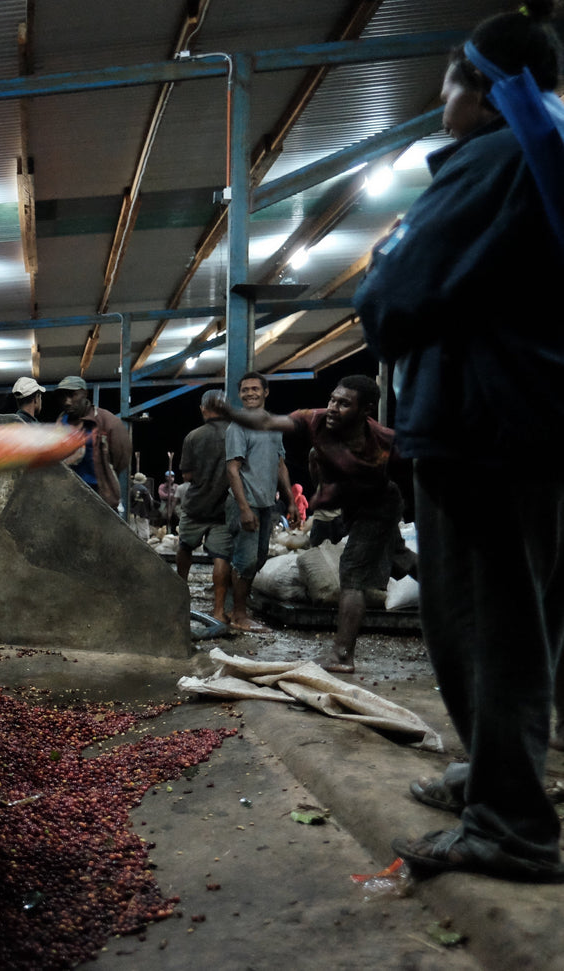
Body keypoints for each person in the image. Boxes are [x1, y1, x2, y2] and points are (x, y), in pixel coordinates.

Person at [354, 2, 564, 882]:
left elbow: (395, 291)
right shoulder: (541, 153)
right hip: (522, 427)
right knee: (509, 618)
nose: (441, 102)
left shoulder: (495, 156)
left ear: (476, 88)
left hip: (487, 432)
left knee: (486, 623)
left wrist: (381, 273)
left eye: (445, 84)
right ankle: (496, 776)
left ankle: (511, 824)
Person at [208, 375, 412, 671]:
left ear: (365, 410)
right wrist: (228, 413)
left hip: (380, 506)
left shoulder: (385, 441)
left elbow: (416, 479)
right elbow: (267, 423)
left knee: (352, 575)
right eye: (332, 399)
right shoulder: (313, 420)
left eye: (344, 404)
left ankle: (342, 655)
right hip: (353, 506)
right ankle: (456, 596)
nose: (332, 407)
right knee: (401, 558)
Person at [224, 372, 300, 633]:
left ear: (266, 392)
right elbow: (232, 469)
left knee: (258, 559)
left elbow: (280, 466)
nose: (250, 393)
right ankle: (239, 614)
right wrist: (244, 508)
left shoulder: (273, 426)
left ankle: (239, 606)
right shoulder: (238, 427)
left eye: (255, 389)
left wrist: (290, 501)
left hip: (267, 503)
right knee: (244, 560)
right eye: (245, 390)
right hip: (246, 502)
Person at [175, 389, 233, 623]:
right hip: (223, 508)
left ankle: (179, 598)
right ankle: (218, 611)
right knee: (221, 557)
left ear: (203, 409)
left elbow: (187, 475)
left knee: (185, 548)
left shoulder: (194, 436)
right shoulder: (236, 434)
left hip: (197, 505)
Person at [54, 375, 130, 508]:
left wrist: (105, 476)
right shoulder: (61, 422)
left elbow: (122, 458)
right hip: (68, 494)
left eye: (72, 395)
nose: (67, 402)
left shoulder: (107, 422)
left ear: (85, 393)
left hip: (99, 496)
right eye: (63, 396)